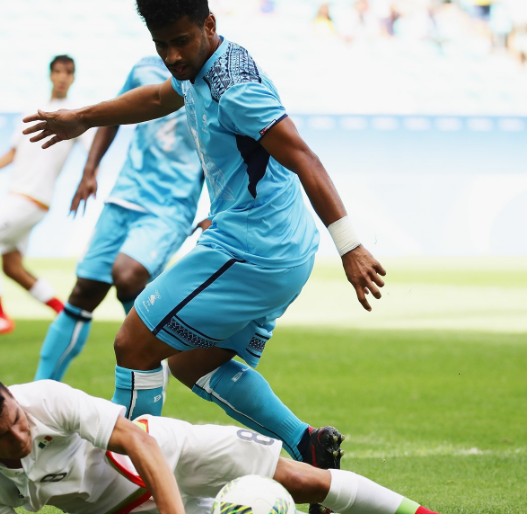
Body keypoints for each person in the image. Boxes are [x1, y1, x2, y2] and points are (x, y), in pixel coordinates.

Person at [24, 0, 387, 479]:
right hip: (282, 248)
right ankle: (308, 446)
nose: (172, 56)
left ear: (209, 25)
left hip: (253, 250)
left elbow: (304, 157)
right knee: (190, 363)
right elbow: (159, 98)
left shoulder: (234, 89)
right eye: (162, 45)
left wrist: (351, 246)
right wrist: (85, 117)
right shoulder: (200, 65)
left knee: (134, 345)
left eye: (180, 42)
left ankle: (134, 483)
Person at [0, 369, 436, 514]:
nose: (20, 434)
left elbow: (137, 443)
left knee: (301, 479)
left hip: (166, 449)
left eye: (17, 419)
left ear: (13, 399)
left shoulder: (46, 399)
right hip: (122, 509)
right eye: (2, 436)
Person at [34, 55, 205, 382]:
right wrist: (89, 171)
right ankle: (40, 390)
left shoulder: (210, 79)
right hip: (124, 195)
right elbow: (112, 116)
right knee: (84, 291)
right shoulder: (143, 69)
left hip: (170, 206)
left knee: (127, 274)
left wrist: (215, 211)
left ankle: (151, 366)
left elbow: (224, 149)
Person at [0, 55, 87, 341]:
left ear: (73, 77)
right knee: (12, 267)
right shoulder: (34, 109)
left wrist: (87, 178)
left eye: (68, 72)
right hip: (20, 196)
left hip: (31, 199)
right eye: (58, 71)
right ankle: (65, 315)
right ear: (50, 75)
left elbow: (93, 149)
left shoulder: (75, 115)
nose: (63, 77)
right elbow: (13, 151)